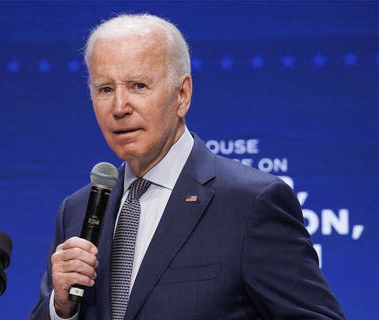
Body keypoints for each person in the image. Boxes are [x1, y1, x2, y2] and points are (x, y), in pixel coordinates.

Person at [29, 13, 345, 320]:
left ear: (182, 94)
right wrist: (61, 308)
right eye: (105, 89)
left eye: (138, 85)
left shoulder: (250, 204)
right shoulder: (76, 210)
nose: (119, 107)